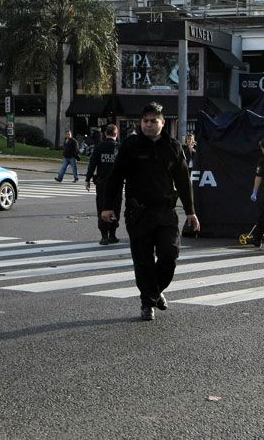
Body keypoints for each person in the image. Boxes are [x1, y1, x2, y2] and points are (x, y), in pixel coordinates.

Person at [101, 102, 200, 321]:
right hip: (139, 213)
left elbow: (183, 182)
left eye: (153, 121)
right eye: (145, 120)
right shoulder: (130, 146)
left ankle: (154, 291)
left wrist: (191, 212)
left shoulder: (174, 147)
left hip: (166, 212)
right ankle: (148, 303)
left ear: (162, 123)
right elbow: (115, 178)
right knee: (143, 261)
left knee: (170, 254)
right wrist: (108, 207)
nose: (148, 124)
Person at [86, 124, 122, 245]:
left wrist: (88, 179)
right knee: (115, 207)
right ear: (116, 134)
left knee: (102, 207)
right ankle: (112, 234)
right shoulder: (119, 147)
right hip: (117, 184)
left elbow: (92, 163)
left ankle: (104, 236)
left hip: (102, 183)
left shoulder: (99, 146)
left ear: (105, 133)